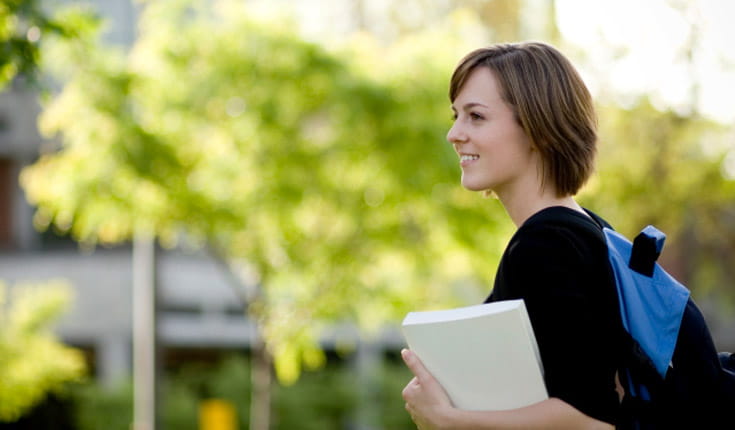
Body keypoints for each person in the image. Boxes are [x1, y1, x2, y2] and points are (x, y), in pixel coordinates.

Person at [401, 42, 624, 429]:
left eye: (476, 117)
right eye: (456, 116)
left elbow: (591, 417)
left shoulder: (547, 245)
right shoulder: (587, 228)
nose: (454, 134)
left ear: (538, 129)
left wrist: (450, 420)